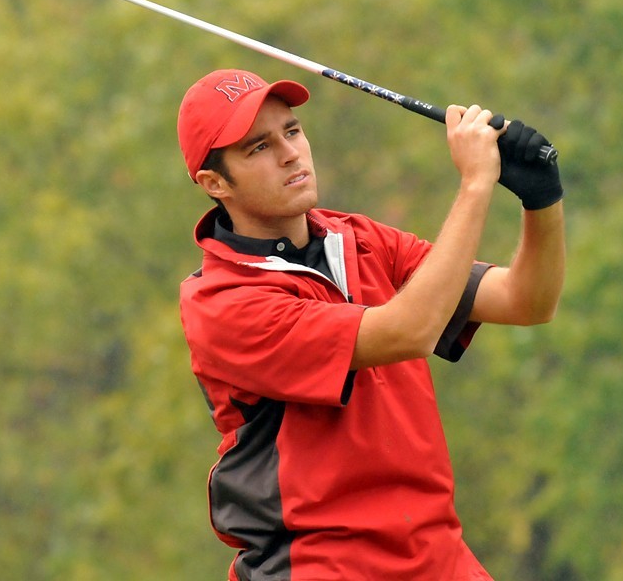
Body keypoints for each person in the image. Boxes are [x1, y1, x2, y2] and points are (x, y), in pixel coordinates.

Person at [176, 68, 565, 581]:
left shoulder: (360, 238)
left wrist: (541, 201)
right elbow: (409, 331)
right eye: (258, 148)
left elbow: (525, 301)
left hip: (436, 554)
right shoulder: (223, 302)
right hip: (324, 564)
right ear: (214, 183)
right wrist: (475, 184)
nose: (290, 153)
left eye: (292, 131)